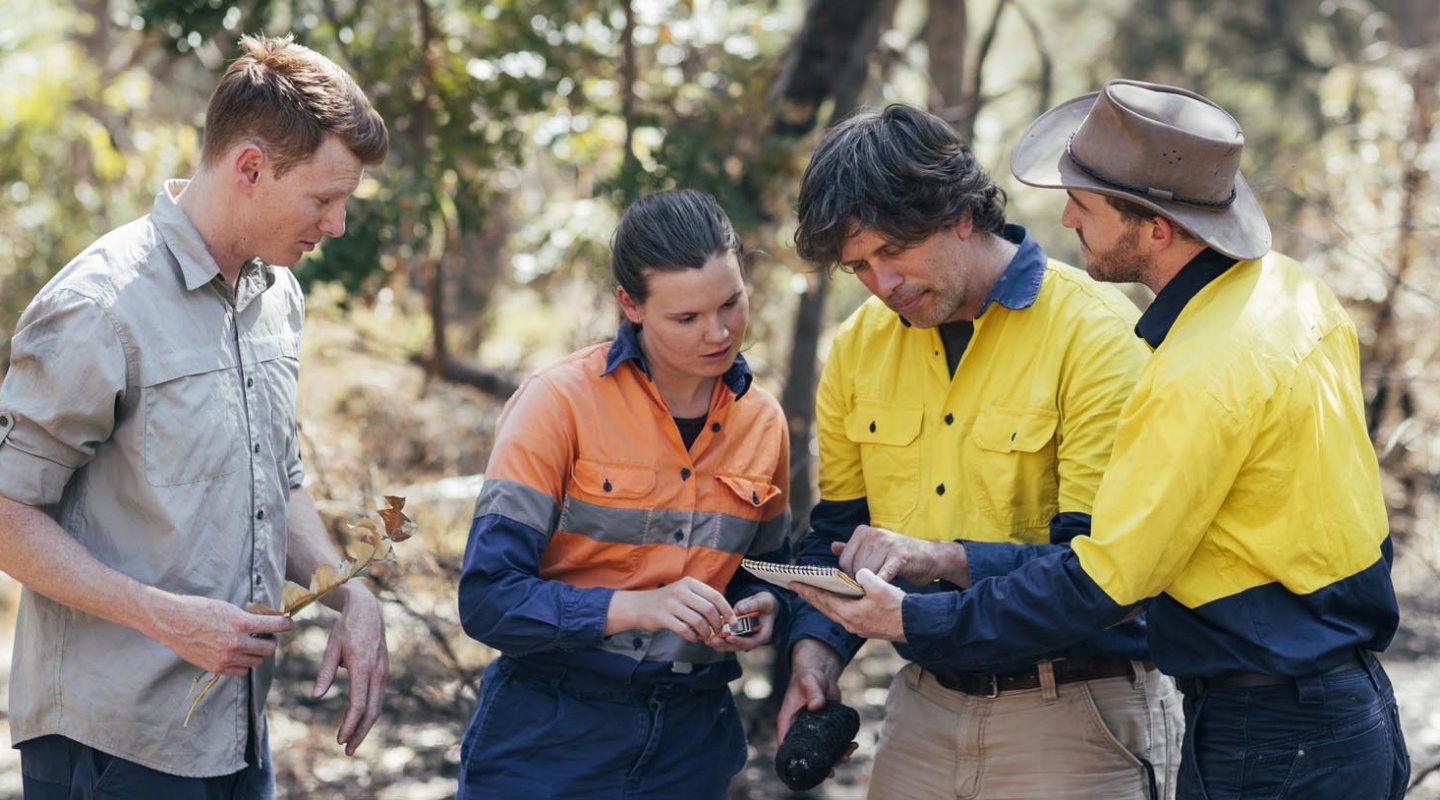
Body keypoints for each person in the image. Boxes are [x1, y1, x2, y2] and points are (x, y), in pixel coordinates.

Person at [794, 80, 1410, 800]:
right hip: (1326, 704)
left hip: (1266, 729)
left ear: (1153, 225)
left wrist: (918, 612)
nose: (1064, 218)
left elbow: (1105, 581)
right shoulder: (1297, 294)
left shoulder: (1191, 370)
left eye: (1082, 205)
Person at [0, 34, 390, 798]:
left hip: (237, 732)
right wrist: (160, 617)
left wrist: (349, 589)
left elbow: (274, 479)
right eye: (324, 199)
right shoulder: (99, 305)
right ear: (250, 168)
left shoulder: (278, 296)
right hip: (111, 745)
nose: (338, 224)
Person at [778, 103, 1182, 799]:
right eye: (859, 267)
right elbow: (838, 539)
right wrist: (815, 655)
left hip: (1078, 716)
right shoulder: (857, 349)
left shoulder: (1099, 337)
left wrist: (929, 581)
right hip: (921, 713)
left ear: (960, 212)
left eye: (893, 251)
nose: (883, 285)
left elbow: (1101, 580)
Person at [455, 189, 792, 798]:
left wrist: (764, 607)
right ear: (629, 304)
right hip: (549, 737)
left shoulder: (765, 422)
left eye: (731, 303)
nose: (718, 333)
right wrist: (636, 607)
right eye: (685, 318)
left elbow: (766, 573)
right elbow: (489, 599)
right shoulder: (557, 403)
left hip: (693, 744)